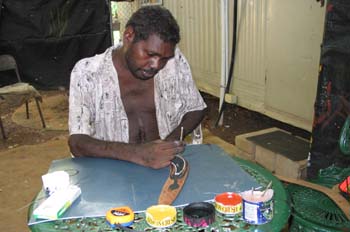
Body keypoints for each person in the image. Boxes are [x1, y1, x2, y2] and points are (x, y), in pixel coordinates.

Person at [68, 6, 207, 169]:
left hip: (164, 167)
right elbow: (77, 142)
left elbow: (196, 108)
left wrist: (168, 144)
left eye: (164, 58)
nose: (156, 65)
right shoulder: (88, 73)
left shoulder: (174, 62)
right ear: (128, 36)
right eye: (150, 54)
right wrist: (138, 154)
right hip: (112, 172)